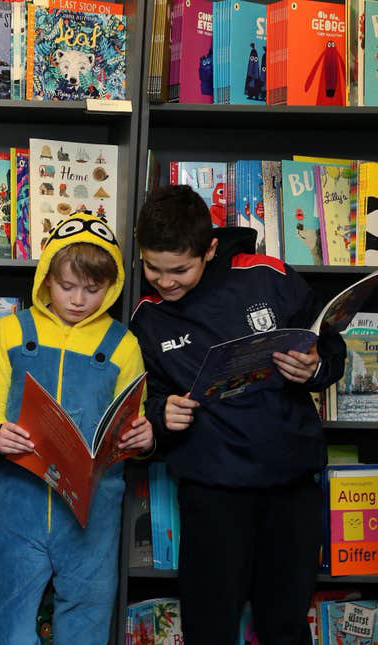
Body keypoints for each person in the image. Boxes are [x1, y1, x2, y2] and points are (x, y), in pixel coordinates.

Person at [130, 185, 347, 644]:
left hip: (289, 483)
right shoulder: (147, 319)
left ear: (209, 249)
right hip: (212, 492)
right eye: (153, 268)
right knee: (209, 625)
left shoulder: (267, 276)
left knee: (284, 624)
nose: (165, 282)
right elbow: (139, 405)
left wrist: (314, 366)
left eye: (179, 270)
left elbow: (329, 345)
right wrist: (160, 412)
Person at [0, 211, 153, 644]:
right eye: (66, 286)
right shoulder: (12, 331)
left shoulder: (123, 344)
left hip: (92, 512)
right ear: (45, 280)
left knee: (87, 621)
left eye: (93, 290)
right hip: (23, 502)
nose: (78, 300)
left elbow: (134, 417)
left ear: (110, 287)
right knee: (7, 619)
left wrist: (143, 439)